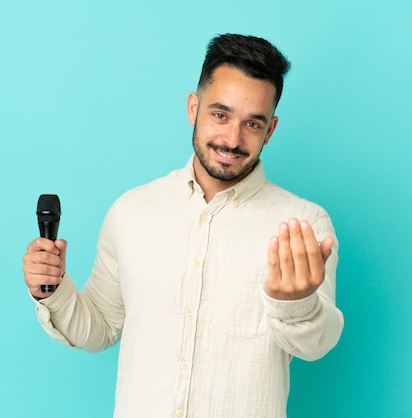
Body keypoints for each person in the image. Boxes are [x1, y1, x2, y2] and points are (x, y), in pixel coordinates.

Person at [23, 33, 343, 418]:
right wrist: (53, 290)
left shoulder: (303, 224)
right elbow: (100, 327)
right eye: (220, 114)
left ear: (270, 130)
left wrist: (295, 302)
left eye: (252, 124)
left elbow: (315, 345)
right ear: (194, 107)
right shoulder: (132, 211)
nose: (232, 139)